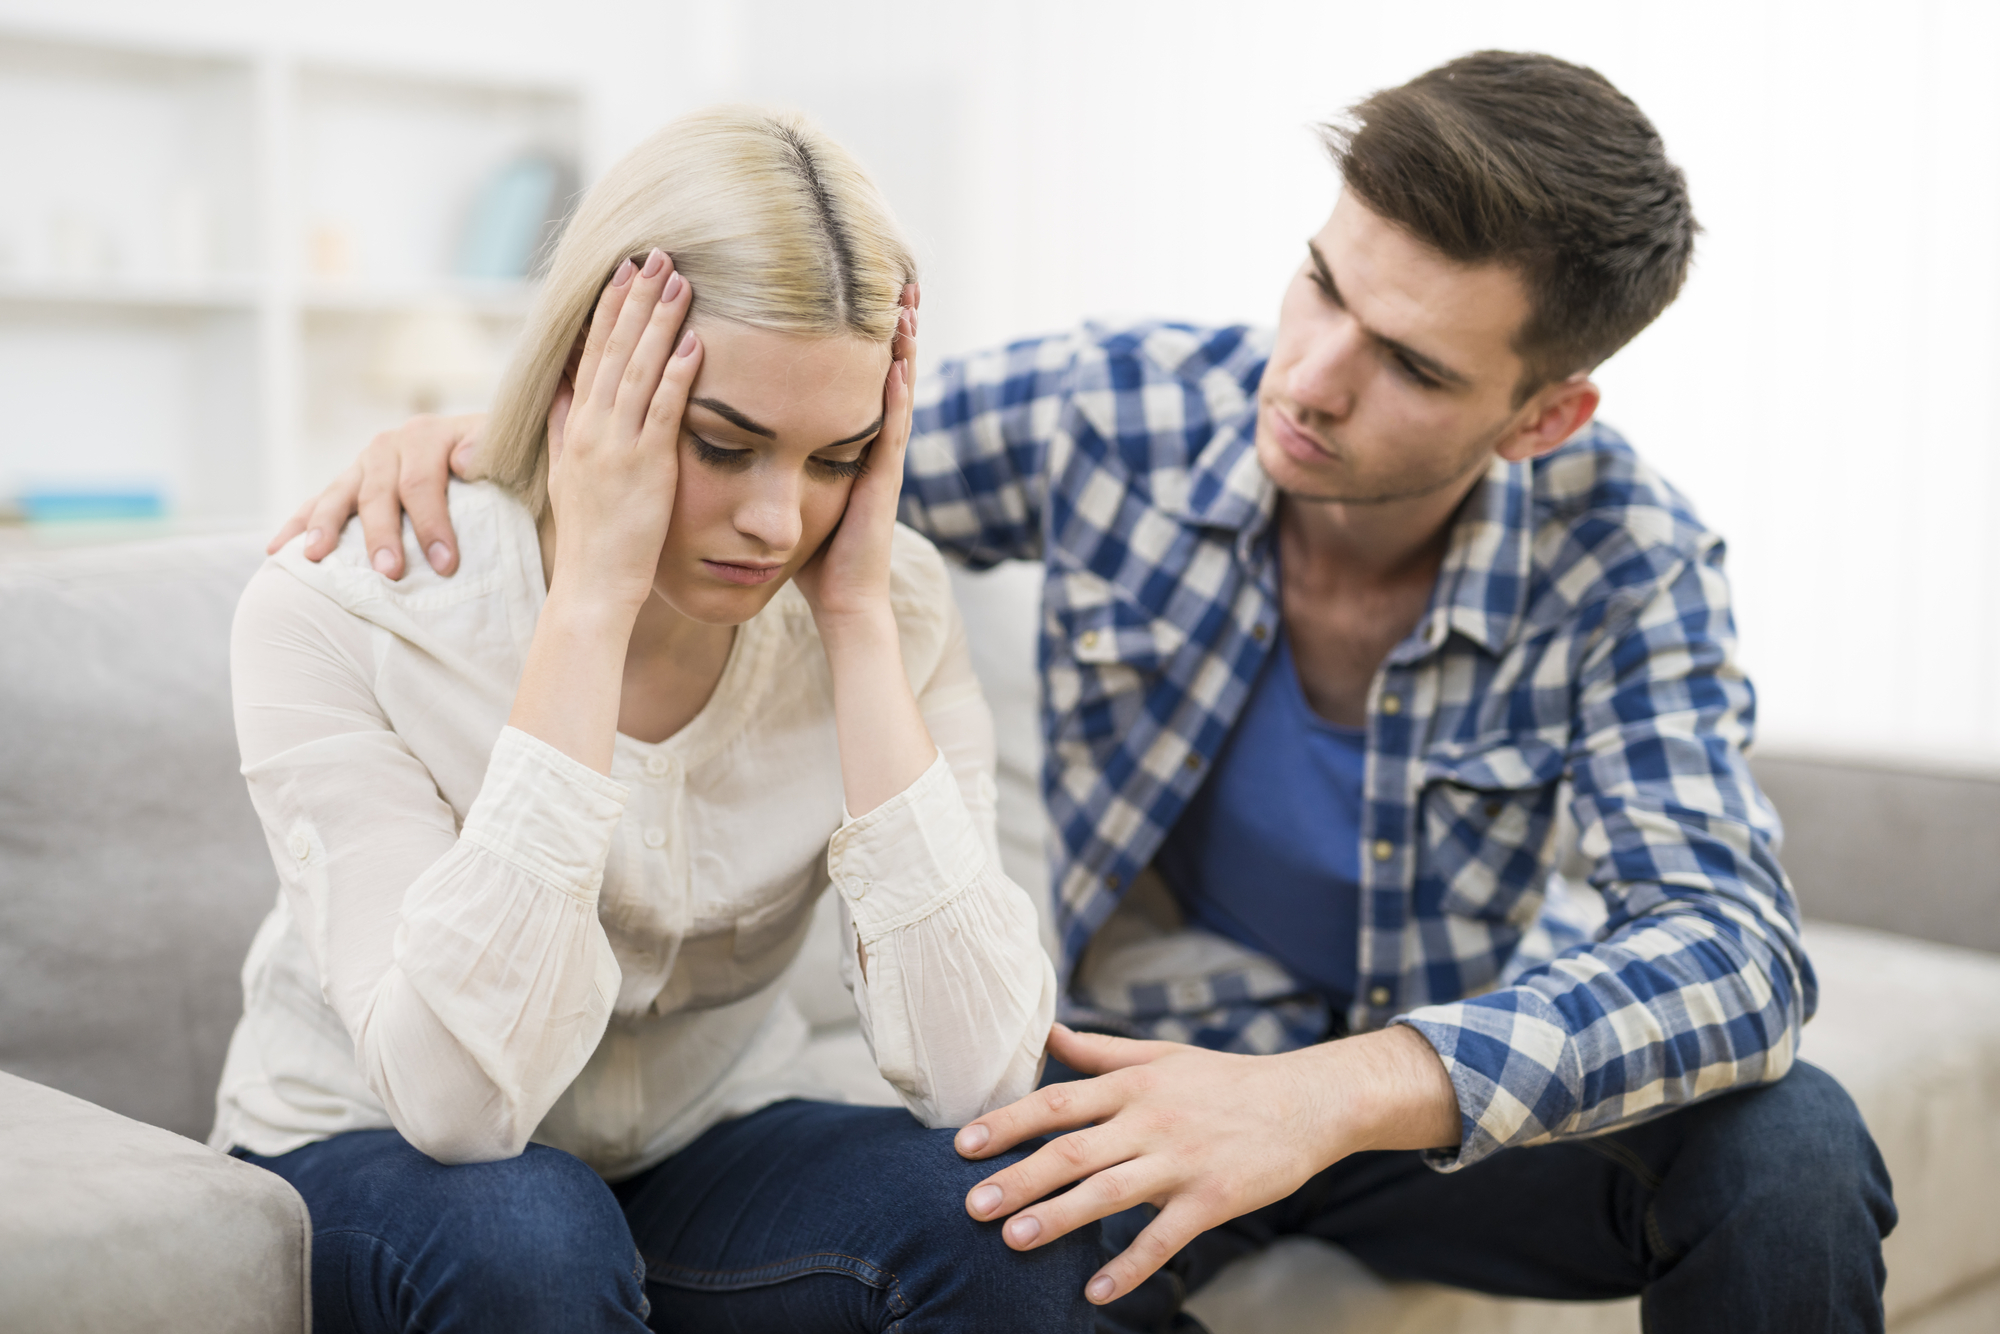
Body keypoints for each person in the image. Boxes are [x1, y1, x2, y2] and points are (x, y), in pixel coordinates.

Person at [279, 53, 1897, 1332]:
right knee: (995, 1253)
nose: (1312, 379)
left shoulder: (1631, 559)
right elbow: (796, 438)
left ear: (1541, 417)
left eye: (1408, 364)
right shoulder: (1121, 412)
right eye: (1322, 284)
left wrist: (1330, 1094)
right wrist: (494, 451)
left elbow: (1736, 950)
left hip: (1399, 1099)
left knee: (1790, 1136)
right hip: (1124, 1085)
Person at [217, 105, 1098, 1334]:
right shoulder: (343, 610)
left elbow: (981, 1074)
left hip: (698, 1140)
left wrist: (855, 620)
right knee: (528, 1234)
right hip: (382, 1147)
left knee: (1012, 1215)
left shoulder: (877, 600)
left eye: (835, 456)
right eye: (722, 445)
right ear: (593, 375)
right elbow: (462, 1108)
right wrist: (587, 605)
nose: (777, 522)